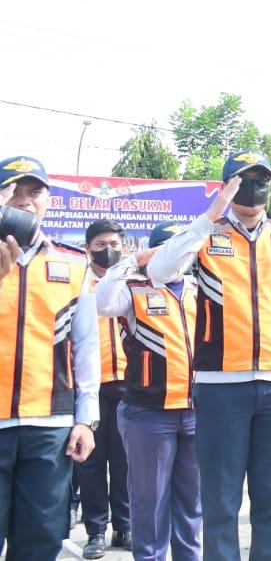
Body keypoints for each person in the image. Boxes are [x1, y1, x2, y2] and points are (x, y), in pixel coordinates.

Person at [145, 150, 271, 560]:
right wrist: (209, 217)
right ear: (226, 186)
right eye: (244, 179)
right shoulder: (206, 235)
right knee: (221, 502)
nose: (254, 186)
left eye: (262, 179)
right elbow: (159, 272)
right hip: (220, 386)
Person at [0, 155, 100, 559]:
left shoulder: (73, 263)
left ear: (49, 199)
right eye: (13, 192)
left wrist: (85, 419)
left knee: (40, 542)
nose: (24, 200)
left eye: (34, 191)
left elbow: (87, 347)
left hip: (50, 425)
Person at [97, 219, 201, 561]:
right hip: (149, 413)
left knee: (192, 501)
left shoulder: (199, 290)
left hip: (197, 411)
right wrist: (133, 260)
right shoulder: (134, 290)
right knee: (149, 500)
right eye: (170, 250)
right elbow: (101, 303)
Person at [79, 219, 132, 558]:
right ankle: (95, 530)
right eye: (100, 244)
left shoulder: (133, 282)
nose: (107, 250)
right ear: (87, 248)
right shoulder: (78, 282)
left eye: (113, 244)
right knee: (92, 462)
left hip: (128, 383)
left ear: (124, 247)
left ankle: (124, 527)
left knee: (125, 461)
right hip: (90, 386)